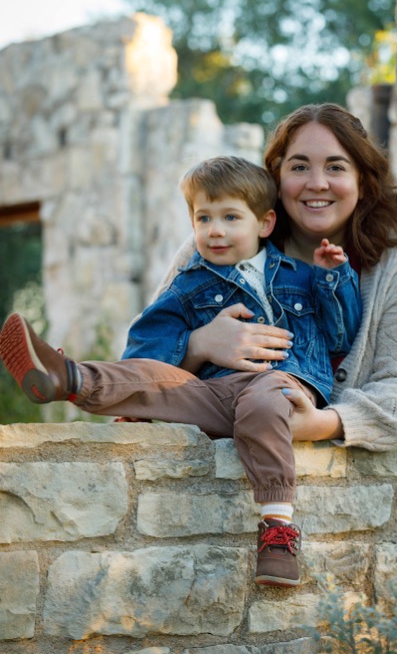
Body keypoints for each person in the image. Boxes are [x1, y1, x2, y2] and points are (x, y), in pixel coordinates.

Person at [0, 154, 362, 588]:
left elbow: (341, 335)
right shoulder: (189, 284)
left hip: (281, 387)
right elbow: (146, 346)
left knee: (265, 399)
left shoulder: (301, 275)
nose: (215, 230)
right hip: (215, 395)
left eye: (230, 216)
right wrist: (196, 342)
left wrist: (332, 279)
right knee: (158, 377)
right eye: (203, 217)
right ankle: (69, 378)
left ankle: (277, 530)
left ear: (265, 223)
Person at [156, 103, 397, 450]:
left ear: (363, 182)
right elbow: (149, 348)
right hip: (211, 462)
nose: (317, 183)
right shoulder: (217, 244)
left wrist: (320, 424)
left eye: (335, 167)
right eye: (300, 166)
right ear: (277, 177)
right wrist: (199, 345)